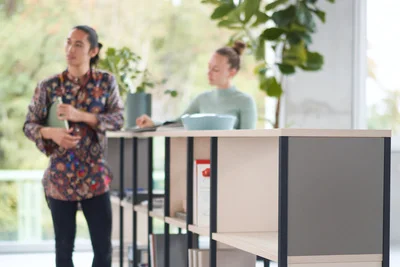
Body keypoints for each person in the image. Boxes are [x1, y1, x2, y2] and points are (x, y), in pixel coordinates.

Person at [23, 25, 124, 267]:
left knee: (103, 250)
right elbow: (28, 125)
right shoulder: (48, 86)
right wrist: (52, 133)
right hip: (60, 180)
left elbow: (118, 120)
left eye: (78, 44)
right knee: (63, 249)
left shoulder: (106, 82)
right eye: (68, 42)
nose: (70, 49)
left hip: (95, 179)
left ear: (93, 51)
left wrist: (82, 116)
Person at [136, 40, 257, 129]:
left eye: (215, 69)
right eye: (209, 67)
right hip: (205, 157)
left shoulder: (245, 101)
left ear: (232, 72)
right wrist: (153, 123)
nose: (209, 73)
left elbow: (249, 140)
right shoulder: (202, 99)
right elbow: (179, 124)